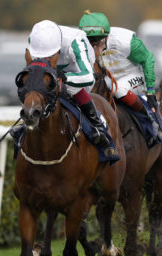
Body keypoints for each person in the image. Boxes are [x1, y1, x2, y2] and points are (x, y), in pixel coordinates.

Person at [24, 19, 118, 158]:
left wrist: (64, 78)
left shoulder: (76, 42)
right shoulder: (36, 40)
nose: (46, 58)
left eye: (49, 56)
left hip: (77, 69)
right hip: (53, 73)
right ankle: (25, 126)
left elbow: (88, 77)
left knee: (73, 90)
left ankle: (97, 126)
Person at [78, 11, 162, 146]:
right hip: (107, 78)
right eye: (90, 44)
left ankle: (149, 121)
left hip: (133, 74)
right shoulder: (79, 43)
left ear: (106, 36)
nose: (94, 49)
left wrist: (151, 90)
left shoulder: (125, 41)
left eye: (98, 43)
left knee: (117, 89)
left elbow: (148, 59)